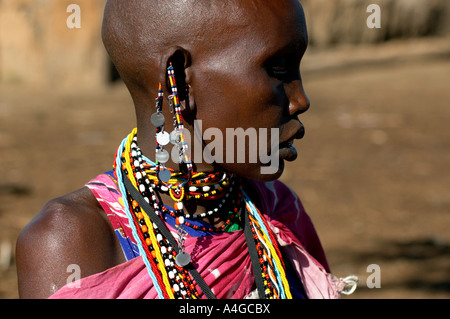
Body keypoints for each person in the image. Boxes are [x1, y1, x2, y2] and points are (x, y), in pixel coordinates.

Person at [16, 0, 350, 299]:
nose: (300, 100)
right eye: (277, 68)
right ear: (178, 78)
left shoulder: (277, 210)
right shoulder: (72, 240)